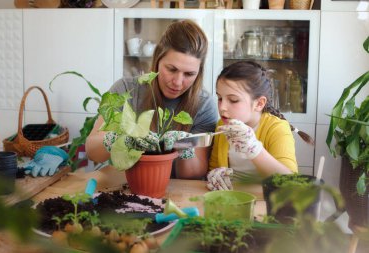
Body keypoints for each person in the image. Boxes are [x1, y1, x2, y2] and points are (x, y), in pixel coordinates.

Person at [85, 20, 218, 179]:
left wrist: (183, 145)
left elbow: (193, 174)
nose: (177, 82)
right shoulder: (126, 90)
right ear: (157, 61)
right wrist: (121, 139)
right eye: (171, 69)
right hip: (128, 184)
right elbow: (93, 152)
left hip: (177, 189)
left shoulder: (203, 104)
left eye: (189, 74)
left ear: (199, 73)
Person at [207, 61, 314, 191]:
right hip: (233, 200)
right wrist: (215, 175)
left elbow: (291, 184)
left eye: (233, 100)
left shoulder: (276, 128)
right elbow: (213, 167)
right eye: (219, 98)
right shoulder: (222, 126)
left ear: (259, 103)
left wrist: (254, 149)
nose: (222, 107)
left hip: (266, 203)